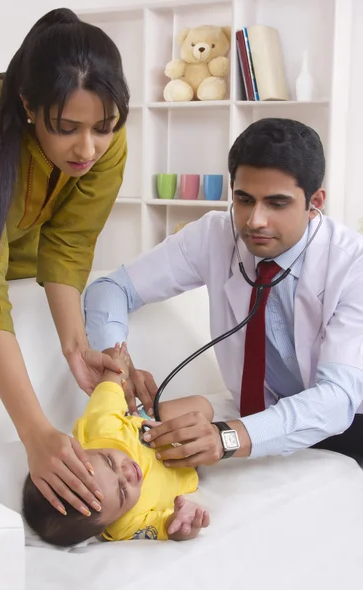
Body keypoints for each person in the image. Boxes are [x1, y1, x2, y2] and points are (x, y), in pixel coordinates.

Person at [84, 117, 363, 468]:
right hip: (258, 415)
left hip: (351, 424)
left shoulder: (353, 264)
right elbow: (111, 289)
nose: (255, 221)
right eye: (244, 199)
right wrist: (116, 358)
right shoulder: (215, 234)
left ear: (314, 202)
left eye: (277, 203)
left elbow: (337, 400)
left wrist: (227, 437)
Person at [0, 8, 130, 517]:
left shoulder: (106, 137)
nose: (88, 148)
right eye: (66, 128)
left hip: (18, 257)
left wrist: (75, 345)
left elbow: (70, 245)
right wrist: (34, 433)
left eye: (103, 127)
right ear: (28, 107)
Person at [23, 342, 211, 545]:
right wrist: (183, 523)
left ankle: (139, 418)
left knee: (204, 408)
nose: (129, 473)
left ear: (81, 449)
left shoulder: (100, 425)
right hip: (188, 465)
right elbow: (166, 527)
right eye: (122, 492)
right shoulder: (125, 526)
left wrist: (117, 362)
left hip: (155, 428)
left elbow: (109, 385)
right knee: (204, 440)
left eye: (110, 461)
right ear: (107, 526)